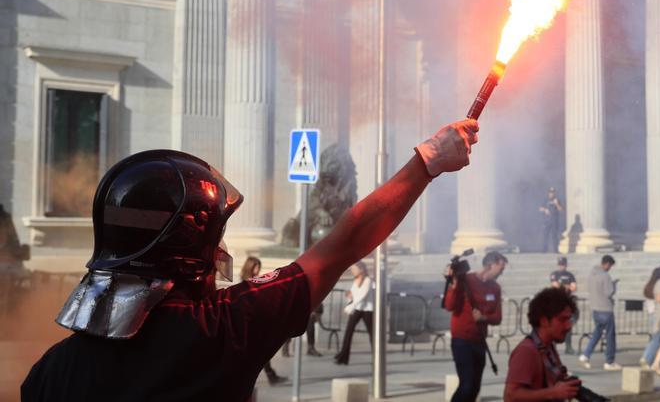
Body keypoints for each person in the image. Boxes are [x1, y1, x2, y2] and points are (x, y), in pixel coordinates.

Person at [21, 119, 479, 401]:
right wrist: (428, 161)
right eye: (213, 238)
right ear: (187, 251)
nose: (221, 253)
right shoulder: (221, 330)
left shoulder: (49, 371)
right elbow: (344, 243)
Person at [504, 287, 608, 402]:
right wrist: (552, 393)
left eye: (569, 319)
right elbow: (510, 396)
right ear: (544, 321)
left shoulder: (548, 346)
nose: (568, 326)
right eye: (562, 320)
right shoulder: (527, 351)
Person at [443, 251, 507, 402]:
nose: (502, 273)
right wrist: (453, 284)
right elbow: (449, 305)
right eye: (501, 268)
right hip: (462, 340)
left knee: (475, 387)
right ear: (490, 265)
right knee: (466, 385)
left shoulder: (495, 288)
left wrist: (484, 317)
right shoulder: (466, 280)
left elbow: (498, 317)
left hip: (479, 342)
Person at [239, 257, 289, 385]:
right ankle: (269, 376)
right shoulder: (245, 283)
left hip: (254, 323)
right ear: (250, 267)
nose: (258, 270)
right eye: (256, 267)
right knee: (257, 354)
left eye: (258, 267)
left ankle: (270, 376)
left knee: (259, 354)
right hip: (248, 324)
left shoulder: (254, 281)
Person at [580, 255, 621, 371]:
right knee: (610, 336)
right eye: (610, 266)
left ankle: (585, 355)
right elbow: (609, 292)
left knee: (597, 333)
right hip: (606, 309)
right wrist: (614, 284)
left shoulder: (592, 274)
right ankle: (609, 362)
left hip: (595, 308)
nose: (610, 268)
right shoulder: (605, 276)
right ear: (607, 264)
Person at [334, 261, 374, 365]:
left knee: (372, 334)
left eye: (354, 269)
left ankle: (376, 356)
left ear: (361, 269)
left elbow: (362, 297)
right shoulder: (355, 280)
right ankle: (343, 357)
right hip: (357, 309)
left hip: (367, 310)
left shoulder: (368, 280)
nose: (352, 271)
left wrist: (350, 308)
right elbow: (353, 296)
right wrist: (349, 297)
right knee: (348, 332)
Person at [549, 256, 578, 354]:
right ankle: (553, 347)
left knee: (568, 326)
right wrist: (567, 286)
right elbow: (555, 285)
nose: (562, 266)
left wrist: (563, 285)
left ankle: (568, 346)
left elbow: (574, 288)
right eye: (561, 264)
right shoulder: (554, 274)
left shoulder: (570, 275)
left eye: (564, 264)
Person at [639, 266, 660, 368]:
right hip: (657, 315)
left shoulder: (649, 286)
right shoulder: (659, 286)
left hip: (651, 314)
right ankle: (646, 358)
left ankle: (659, 362)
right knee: (657, 338)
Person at [539, 187, 563, 253]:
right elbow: (540, 208)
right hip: (547, 221)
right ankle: (544, 250)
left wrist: (557, 204)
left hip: (554, 221)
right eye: (550, 192)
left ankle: (556, 250)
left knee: (554, 236)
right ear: (548, 193)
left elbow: (561, 209)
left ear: (554, 193)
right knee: (545, 235)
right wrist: (545, 210)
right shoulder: (545, 200)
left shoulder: (557, 200)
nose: (551, 194)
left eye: (553, 192)